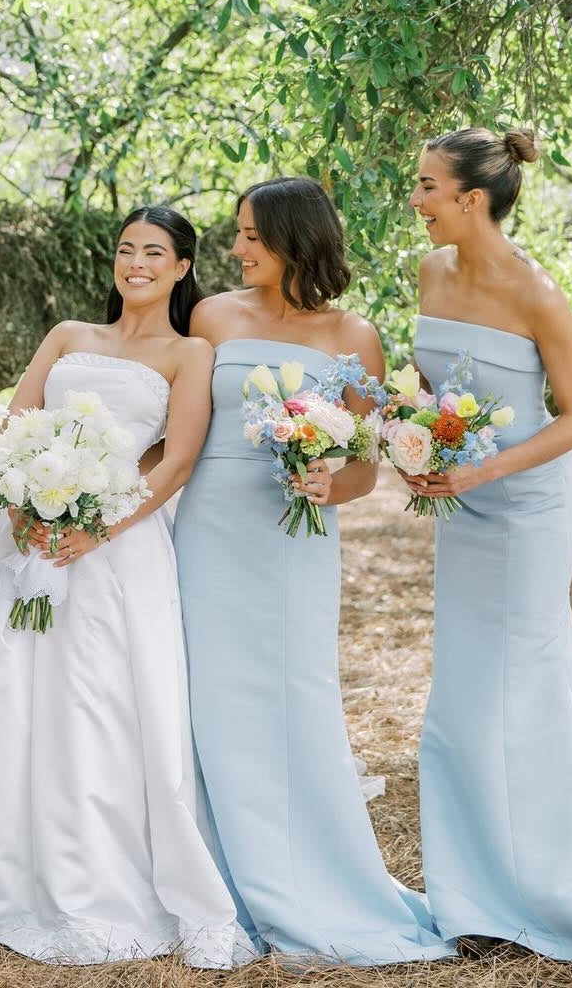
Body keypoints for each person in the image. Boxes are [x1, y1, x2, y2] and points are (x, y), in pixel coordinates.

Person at [0, 205, 254, 969]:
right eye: (126, 249)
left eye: (154, 252)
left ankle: (96, 878)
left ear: (180, 268)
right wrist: (20, 505)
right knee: (8, 699)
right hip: (23, 539)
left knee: (95, 707)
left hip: (116, 548)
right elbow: (16, 425)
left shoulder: (191, 353)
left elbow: (174, 463)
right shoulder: (70, 335)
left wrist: (92, 529)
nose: (135, 263)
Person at [176, 176, 451, 965]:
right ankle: (211, 875)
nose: (236, 249)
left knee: (295, 693)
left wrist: (331, 483)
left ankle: (311, 873)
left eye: (252, 237)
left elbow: (366, 468)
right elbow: (182, 428)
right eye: (237, 234)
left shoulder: (354, 336)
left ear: (296, 239)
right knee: (206, 693)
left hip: (296, 537)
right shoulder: (212, 315)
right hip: (209, 528)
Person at [406, 126, 572, 959]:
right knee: (464, 687)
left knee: (525, 684)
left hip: (530, 509)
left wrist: (483, 470)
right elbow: (434, 386)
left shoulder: (538, 293)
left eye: (427, 187)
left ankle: (560, 886)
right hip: (463, 507)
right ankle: (475, 895)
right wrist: (417, 438)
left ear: (471, 199)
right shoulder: (429, 272)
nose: (416, 201)